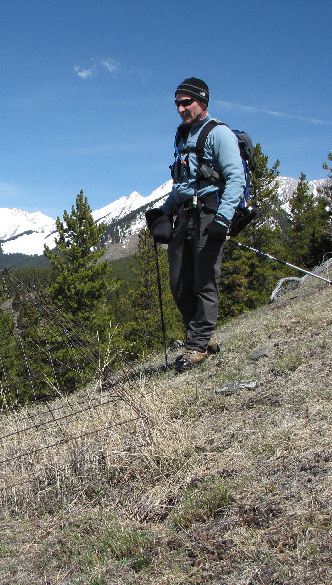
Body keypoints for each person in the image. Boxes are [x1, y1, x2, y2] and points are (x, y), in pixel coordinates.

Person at [145, 77, 246, 372]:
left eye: (185, 102)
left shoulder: (219, 134)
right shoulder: (182, 137)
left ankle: (198, 345)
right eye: (177, 103)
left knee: (204, 281)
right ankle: (201, 334)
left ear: (202, 101)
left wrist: (222, 220)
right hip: (185, 215)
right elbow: (183, 185)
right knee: (179, 284)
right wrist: (163, 212)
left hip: (209, 214)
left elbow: (236, 179)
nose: (180, 108)